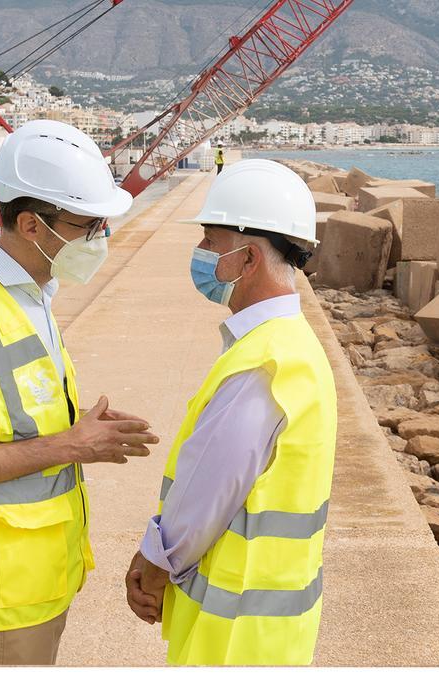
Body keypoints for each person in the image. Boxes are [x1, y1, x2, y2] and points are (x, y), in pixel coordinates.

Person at [0, 119, 159, 666]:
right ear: (31, 224)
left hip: (40, 578)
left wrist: (82, 431)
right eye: (88, 225)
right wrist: (72, 445)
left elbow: (15, 417)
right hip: (0, 594)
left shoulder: (34, 296)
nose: (100, 239)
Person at [124, 159, 337, 665]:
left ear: (249, 260)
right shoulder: (293, 348)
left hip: (234, 637)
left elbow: (208, 491)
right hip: (270, 632)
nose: (199, 254)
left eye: (210, 241)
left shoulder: (263, 363)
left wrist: (154, 564)